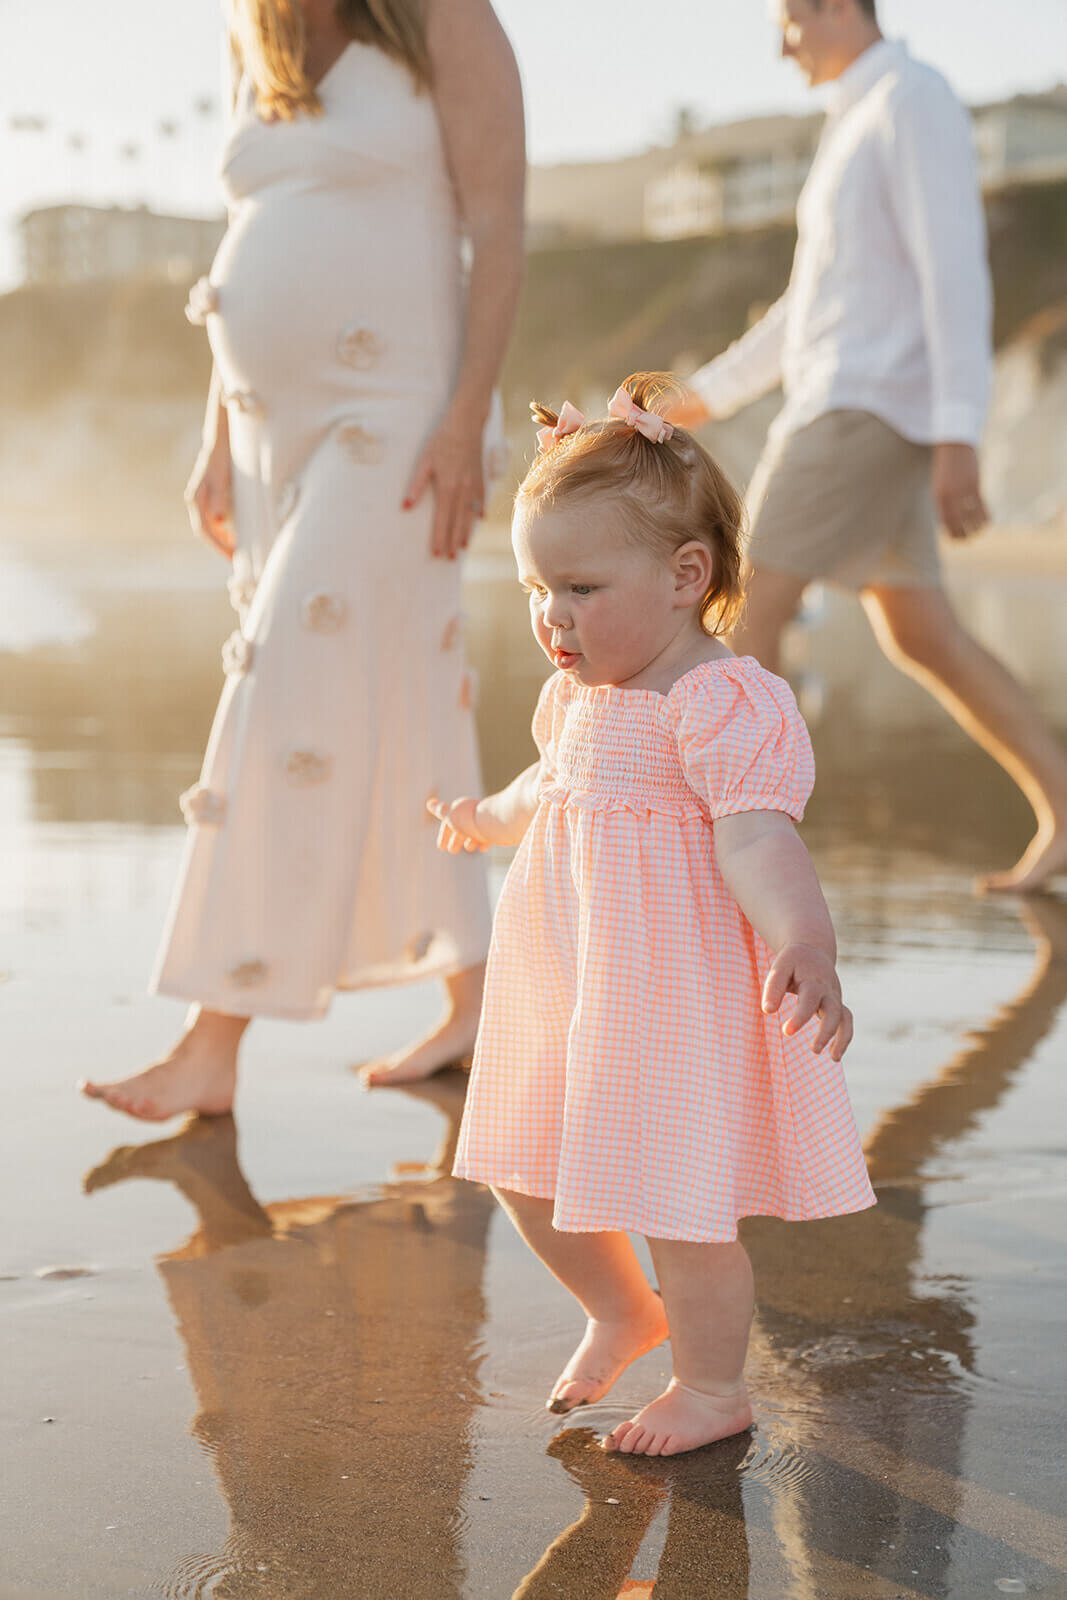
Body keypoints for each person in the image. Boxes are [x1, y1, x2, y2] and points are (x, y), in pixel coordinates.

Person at [79, 0, 526, 1121]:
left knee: (285, 681)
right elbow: (254, 233)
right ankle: (477, 996)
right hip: (268, 426)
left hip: (401, 410)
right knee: (407, 693)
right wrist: (215, 436)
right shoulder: (253, 33)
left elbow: (501, 225)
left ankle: (210, 1040)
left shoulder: (442, 18)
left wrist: (466, 414)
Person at [429, 373, 876, 1457]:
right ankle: (621, 1309)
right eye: (537, 586)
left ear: (686, 576)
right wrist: (479, 819)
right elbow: (547, 789)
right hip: (568, 985)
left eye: (579, 587)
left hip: (669, 996)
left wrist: (802, 939)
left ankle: (714, 1383)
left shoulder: (718, 702)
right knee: (518, 1162)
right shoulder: (575, 697)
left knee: (682, 1202)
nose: (551, 616)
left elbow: (758, 835)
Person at [671, 0, 1067, 895]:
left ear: (841, 8)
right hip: (856, 401)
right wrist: (711, 393)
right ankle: (1065, 808)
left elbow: (953, 268)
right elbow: (811, 303)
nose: (781, 43)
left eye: (791, 20)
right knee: (922, 634)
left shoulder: (911, 100)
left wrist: (959, 433)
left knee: (746, 609)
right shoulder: (853, 118)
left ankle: (727, 853)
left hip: (862, 407)